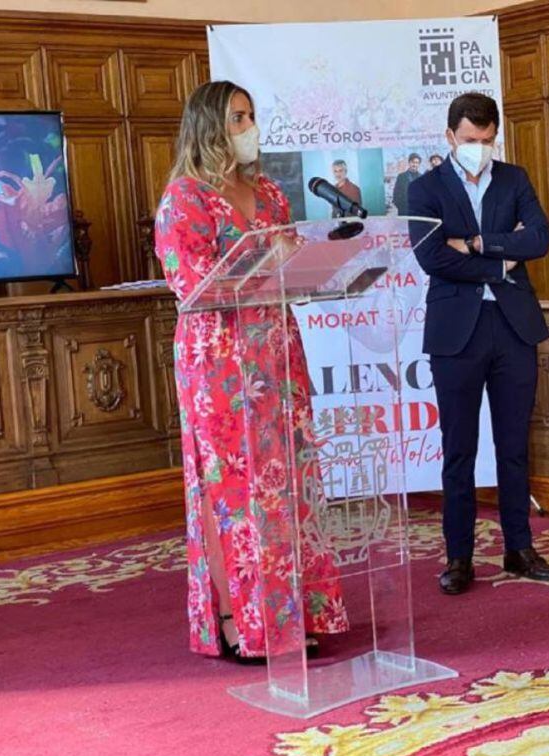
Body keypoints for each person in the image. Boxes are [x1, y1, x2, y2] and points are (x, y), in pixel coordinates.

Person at [154, 81, 348, 661]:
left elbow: (288, 259)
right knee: (232, 490)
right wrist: (264, 266)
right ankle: (237, 618)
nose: (249, 127)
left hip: (276, 354)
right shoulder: (184, 199)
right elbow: (190, 286)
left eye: (252, 116)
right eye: (238, 118)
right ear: (211, 127)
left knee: (286, 484)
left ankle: (291, 611)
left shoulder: (268, 192)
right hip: (217, 362)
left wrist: (308, 262)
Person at [409, 92, 549, 595]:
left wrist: (474, 242)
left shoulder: (514, 179)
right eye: (471, 140)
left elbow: (538, 239)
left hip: (514, 326)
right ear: (450, 136)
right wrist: (502, 256)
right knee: (460, 451)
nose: (480, 149)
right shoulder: (424, 189)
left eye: (488, 140)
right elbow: (432, 258)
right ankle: (459, 558)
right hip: (457, 333)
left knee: (514, 446)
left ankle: (519, 548)